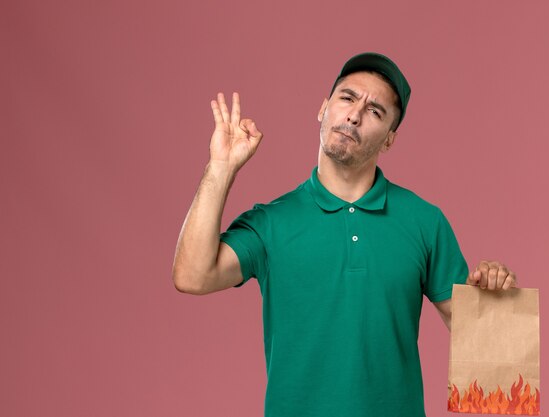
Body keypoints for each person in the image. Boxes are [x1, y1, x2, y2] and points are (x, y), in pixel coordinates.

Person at [172, 52, 517, 417]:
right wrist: (220, 168)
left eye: (375, 111)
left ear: (389, 140)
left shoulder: (424, 221)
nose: (354, 114)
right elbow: (192, 275)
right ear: (323, 109)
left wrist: (495, 296)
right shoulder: (271, 223)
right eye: (348, 98)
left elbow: (481, 342)